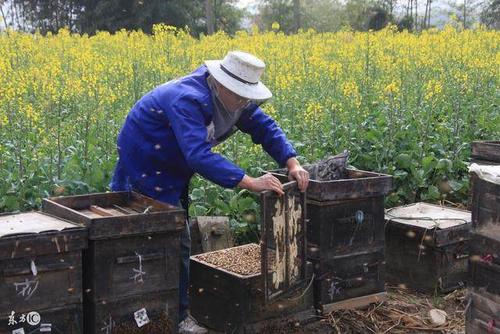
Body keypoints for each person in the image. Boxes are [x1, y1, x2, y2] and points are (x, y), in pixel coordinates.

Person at [110, 50, 309, 334]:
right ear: (220, 84)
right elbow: (198, 155)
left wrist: (292, 162)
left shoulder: (235, 102)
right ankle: (157, 319)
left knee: (171, 240)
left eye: (246, 95)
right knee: (153, 242)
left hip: (173, 168)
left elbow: (265, 127)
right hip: (145, 163)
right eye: (239, 95)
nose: (243, 102)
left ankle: (170, 315)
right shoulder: (187, 99)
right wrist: (251, 182)